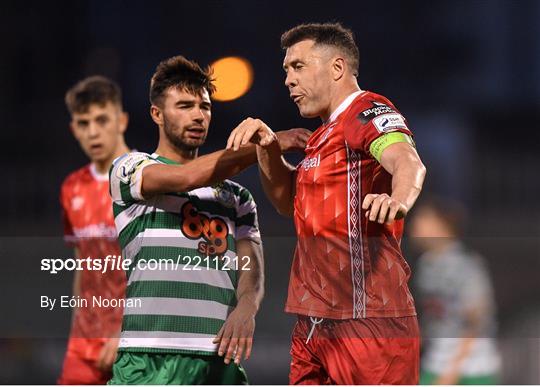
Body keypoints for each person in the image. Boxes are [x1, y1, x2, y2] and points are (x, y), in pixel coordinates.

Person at [227, 22, 427, 384]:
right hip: (313, 325)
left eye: (298, 66)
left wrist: (398, 199)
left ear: (336, 67)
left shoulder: (366, 111)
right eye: (286, 70)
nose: (288, 79)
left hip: (367, 320)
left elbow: (406, 161)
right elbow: (287, 203)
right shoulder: (321, 137)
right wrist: (268, 148)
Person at [107, 55, 309, 384]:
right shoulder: (130, 169)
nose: (199, 116)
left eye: (205, 107)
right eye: (185, 106)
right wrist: (268, 144)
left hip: (218, 359)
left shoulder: (237, 198)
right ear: (157, 114)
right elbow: (186, 178)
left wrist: (247, 307)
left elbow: (251, 271)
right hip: (150, 358)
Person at [58, 76, 130, 384]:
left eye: (102, 120)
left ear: (122, 120)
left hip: (134, 344)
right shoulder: (72, 187)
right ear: (74, 129)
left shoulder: (146, 179)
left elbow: (160, 269)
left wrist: (126, 333)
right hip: (84, 345)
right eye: (84, 123)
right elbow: (82, 264)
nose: (93, 132)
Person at [409, 197, 501, 385]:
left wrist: (452, 371)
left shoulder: (465, 265)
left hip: (472, 369)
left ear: (443, 224)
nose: (415, 225)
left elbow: (477, 322)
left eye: (424, 218)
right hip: (436, 363)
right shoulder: (426, 265)